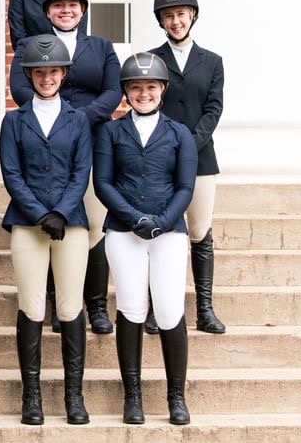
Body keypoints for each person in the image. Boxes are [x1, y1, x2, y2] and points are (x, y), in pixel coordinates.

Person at [9, 0, 121, 336]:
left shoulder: (101, 47)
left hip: (93, 138)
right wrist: (56, 119)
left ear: (83, 10)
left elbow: (114, 89)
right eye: (58, 5)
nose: (66, 10)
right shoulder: (30, 44)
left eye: (73, 4)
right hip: (42, 142)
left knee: (91, 224)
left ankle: (97, 304)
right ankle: (56, 303)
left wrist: (77, 119)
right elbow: (19, 87)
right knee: (52, 216)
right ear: (47, 12)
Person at [94, 52, 196, 426]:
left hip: (168, 233)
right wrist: (134, 218)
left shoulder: (179, 133)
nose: (143, 93)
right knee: (131, 309)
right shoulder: (111, 131)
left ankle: (176, 397)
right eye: (136, 87)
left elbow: (185, 187)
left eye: (150, 86)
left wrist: (163, 221)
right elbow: (103, 182)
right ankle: (132, 396)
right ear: (126, 92)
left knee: (169, 309)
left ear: (162, 90)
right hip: (124, 232)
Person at [0, 35, 92, 426]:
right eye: (40, 72)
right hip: (27, 222)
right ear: (30, 76)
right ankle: (32, 395)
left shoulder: (78, 119)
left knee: (70, 306)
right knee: (32, 306)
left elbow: (81, 171)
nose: (47, 77)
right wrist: (41, 213)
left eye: (53, 71)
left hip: (70, 224)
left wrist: (62, 212)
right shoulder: (14, 120)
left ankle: (74, 394)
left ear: (63, 74)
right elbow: (11, 173)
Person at [149, 0, 226, 334]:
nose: (176, 21)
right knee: (161, 229)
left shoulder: (212, 62)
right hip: (159, 159)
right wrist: (168, 147)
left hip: (200, 158)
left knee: (199, 231)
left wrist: (188, 145)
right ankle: (155, 307)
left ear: (192, 15)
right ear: (161, 21)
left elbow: (213, 109)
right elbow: (147, 104)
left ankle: (204, 308)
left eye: (180, 14)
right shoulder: (151, 60)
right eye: (169, 16)